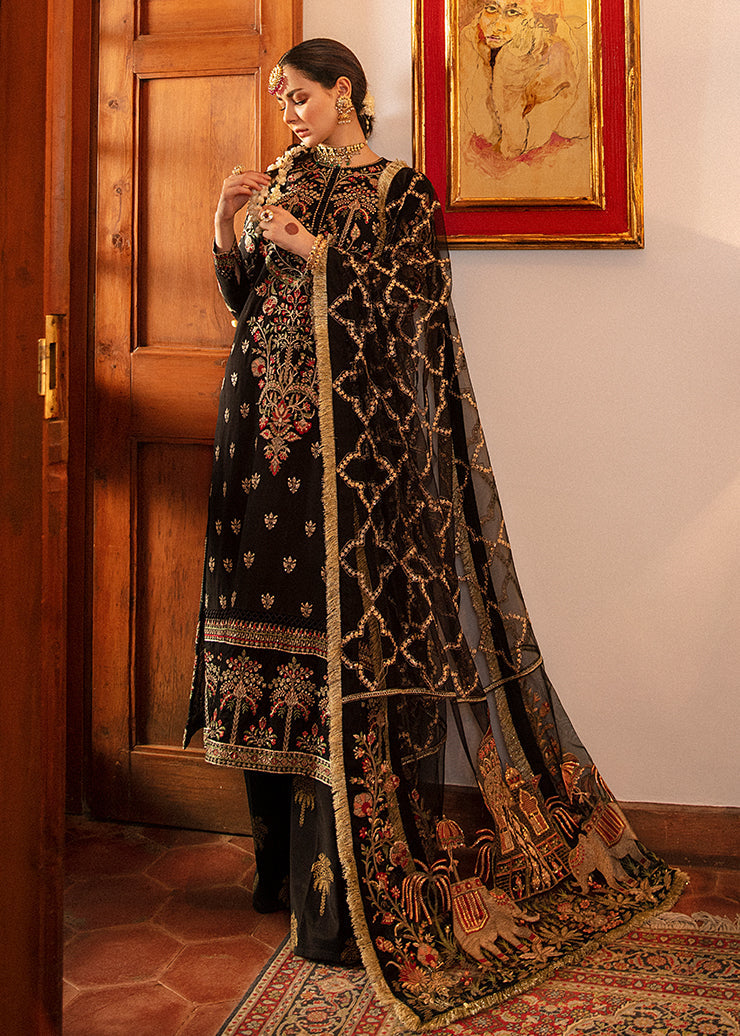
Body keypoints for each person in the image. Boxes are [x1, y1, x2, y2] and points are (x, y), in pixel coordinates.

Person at [184, 38, 684, 1031]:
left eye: (299, 97)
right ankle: (274, 871)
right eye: (281, 101)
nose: (288, 114)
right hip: (260, 448)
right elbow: (248, 306)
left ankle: (338, 894)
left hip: (351, 468)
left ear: (344, 93)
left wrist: (314, 250)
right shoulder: (283, 180)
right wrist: (226, 228)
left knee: (342, 656)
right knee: (268, 650)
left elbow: (416, 308)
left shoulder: (402, 194)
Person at [459, 0, 590, 159]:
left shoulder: (557, 48)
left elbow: (520, 143)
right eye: (491, 9)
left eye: (512, 13)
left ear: (536, 17)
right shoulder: (469, 39)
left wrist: (512, 62)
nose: (497, 26)